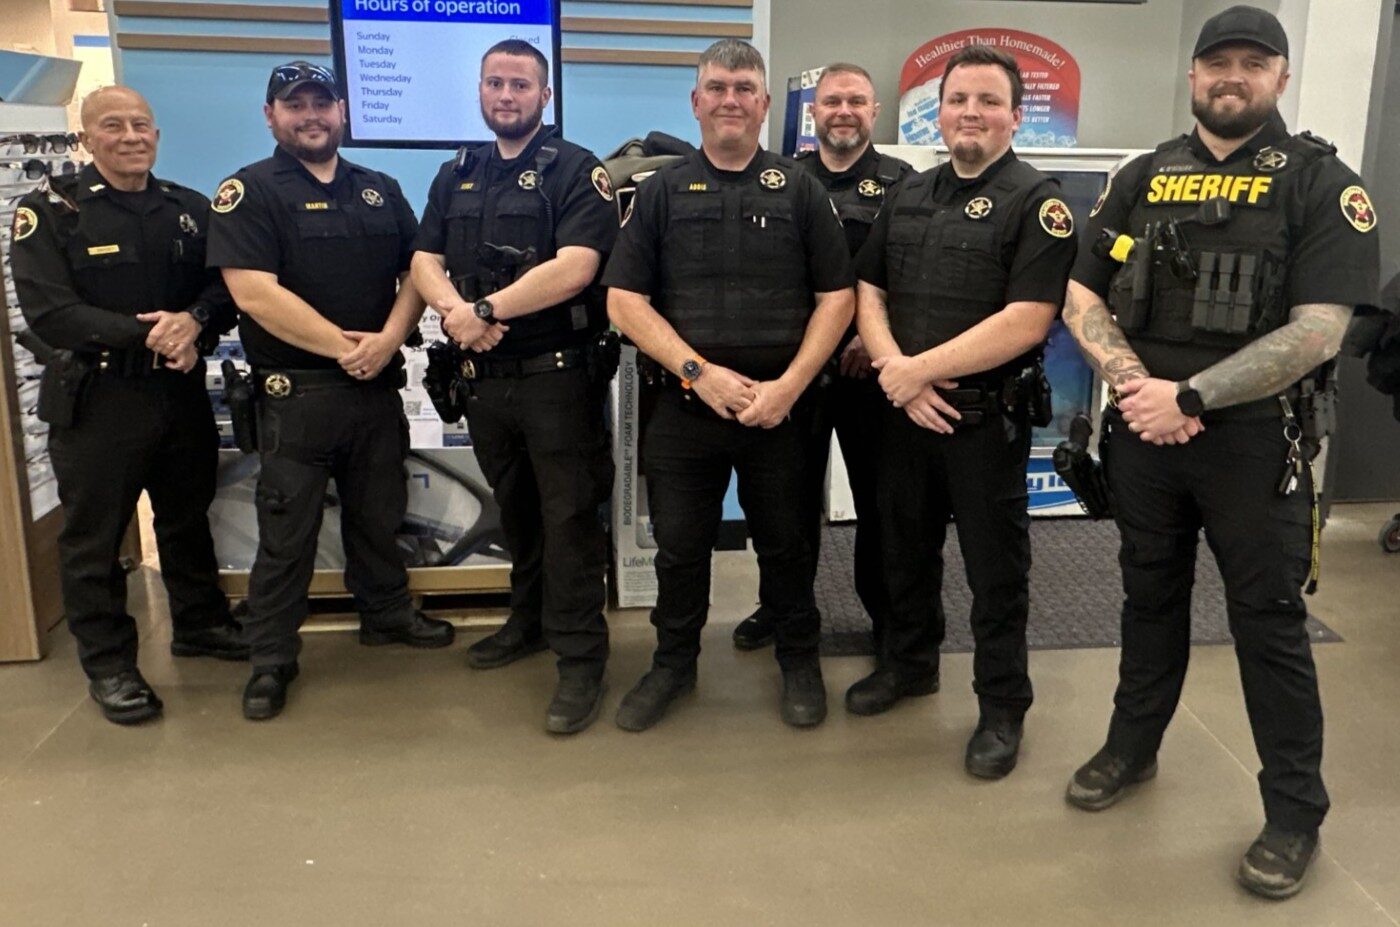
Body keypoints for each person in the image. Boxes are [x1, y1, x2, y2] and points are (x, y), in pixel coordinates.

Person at [1060, 6, 1379, 899]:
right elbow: (1083, 294)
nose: (1231, 77)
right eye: (1216, 64)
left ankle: (1292, 812)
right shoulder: (1143, 175)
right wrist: (1135, 386)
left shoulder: (1322, 182)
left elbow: (1320, 331)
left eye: (1253, 63)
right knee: (1146, 598)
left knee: (1268, 625)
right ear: (1193, 77)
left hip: (1252, 445)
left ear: (1279, 78)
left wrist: (1191, 396)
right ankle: (1132, 748)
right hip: (1145, 434)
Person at [604, 39, 855, 731]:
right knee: (681, 548)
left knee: (786, 545)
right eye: (717, 87)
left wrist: (791, 387)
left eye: (745, 87)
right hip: (686, 406)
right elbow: (624, 301)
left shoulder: (801, 191)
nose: (731, 99)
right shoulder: (658, 192)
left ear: (765, 102)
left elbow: (838, 298)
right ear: (696, 101)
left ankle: (799, 660)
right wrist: (699, 372)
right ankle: (672, 665)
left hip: (781, 409)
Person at [853, 46, 1076, 776]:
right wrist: (898, 374)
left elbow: (1027, 319)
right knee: (901, 549)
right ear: (938, 112)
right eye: (957, 101)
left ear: (1016, 115)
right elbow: (869, 289)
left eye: (987, 101)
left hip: (984, 420)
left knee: (995, 571)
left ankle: (1002, 706)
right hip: (905, 413)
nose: (970, 114)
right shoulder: (909, 192)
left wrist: (915, 371)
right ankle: (910, 662)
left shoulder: (1036, 202)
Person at [206, 61, 453, 721]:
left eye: (321, 103)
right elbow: (254, 294)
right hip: (297, 397)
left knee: (379, 515)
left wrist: (387, 340)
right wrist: (349, 348)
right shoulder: (249, 192)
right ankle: (271, 657)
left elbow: (419, 270)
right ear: (270, 117)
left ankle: (386, 613)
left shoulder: (378, 189)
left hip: (374, 389)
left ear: (341, 112)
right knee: (287, 533)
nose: (310, 115)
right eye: (295, 106)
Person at [9, 86, 247, 725]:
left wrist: (195, 320)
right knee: (95, 538)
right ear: (87, 138)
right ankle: (110, 664)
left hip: (177, 391)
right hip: (98, 397)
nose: (131, 135)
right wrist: (151, 333)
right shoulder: (51, 212)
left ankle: (200, 624)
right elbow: (50, 312)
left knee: (185, 517)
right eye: (112, 125)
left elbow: (223, 288)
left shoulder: (189, 210)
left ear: (157, 135)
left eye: (141, 124)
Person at [410, 40, 617, 735]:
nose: (506, 95)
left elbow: (578, 266)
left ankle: (582, 659)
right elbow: (423, 258)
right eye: (495, 83)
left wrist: (487, 311)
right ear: (480, 90)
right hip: (484, 380)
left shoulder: (575, 171)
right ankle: (526, 622)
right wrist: (453, 314)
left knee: (569, 521)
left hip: (556, 378)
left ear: (544, 96)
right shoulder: (457, 172)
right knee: (518, 514)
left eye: (520, 85)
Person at [729, 63, 911, 659]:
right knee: (786, 505)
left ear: (874, 111)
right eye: (832, 100)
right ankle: (780, 607)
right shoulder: (782, 179)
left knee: (882, 504)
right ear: (813, 112)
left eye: (856, 100)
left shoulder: (904, 184)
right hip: (796, 376)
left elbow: (910, 278)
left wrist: (874, 337)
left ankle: (889, 622)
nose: (843, 111)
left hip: (870, 373)